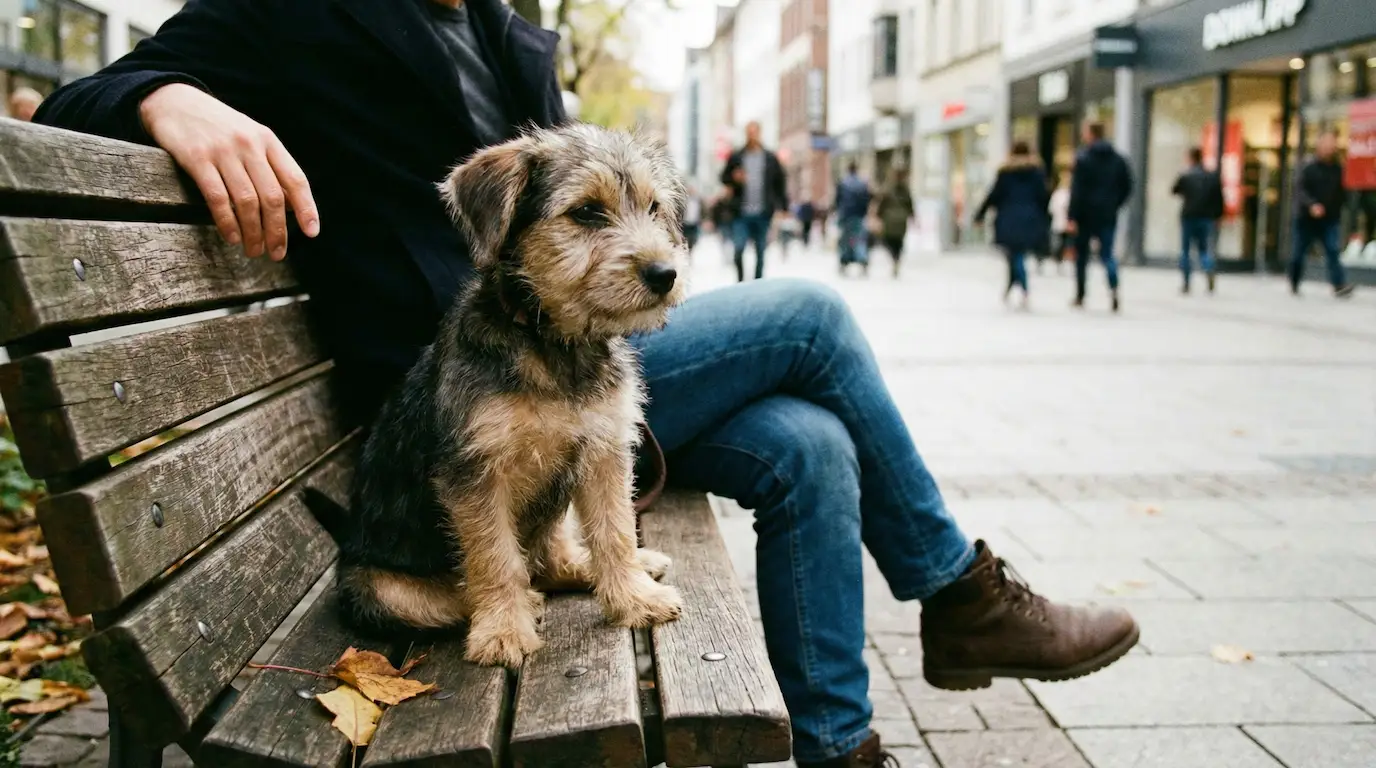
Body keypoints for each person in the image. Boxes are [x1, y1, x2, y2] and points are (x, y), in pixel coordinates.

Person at [33, 2, 1139, 764]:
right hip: (467, 383)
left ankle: (838, 750)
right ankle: (955, 596)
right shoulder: (296, 10)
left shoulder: (497, 26)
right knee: (810, 315)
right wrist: (173, 101)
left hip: (576, 362)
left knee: (808, 440)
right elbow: (80, 95)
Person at [975, 140, 1050, 309]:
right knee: (1016, 255)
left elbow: (993, 195)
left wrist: (980, 215)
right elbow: (1043, 197)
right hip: (1030, 218)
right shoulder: (1037, 172)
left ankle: (1022, 288)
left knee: (1015, 255)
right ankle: (1012, 286)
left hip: (1008, 218)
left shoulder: (1006, 172)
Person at [1068, 121, 1132, 312]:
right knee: (1107, 254)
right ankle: (1114, 290)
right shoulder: (1118, 159)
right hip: (1107, 213)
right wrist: (1115, 203)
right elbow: (1127, 186)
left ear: (1090, 134)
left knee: (1081, 257)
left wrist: (1072, 216)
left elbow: (1076, 191)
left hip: (1085, 215)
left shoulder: (1083, 158)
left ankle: (1080, 295)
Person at [1289, 131, 1355, 298]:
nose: (1330, 148)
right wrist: (1312, 205)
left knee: (1333, 250)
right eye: (1326, 144)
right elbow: (1299, 190)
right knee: (1298, 253)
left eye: (1332, 144)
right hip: (1306, 219)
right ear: (1319, 146)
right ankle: (1294, 281)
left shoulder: (1338, 169)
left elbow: (1343, 193)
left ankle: (1338, 284)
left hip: (1330, 218)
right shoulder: (1308, 166)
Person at [720, 121, 787, 282]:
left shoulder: (770, 157)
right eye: (749, 132)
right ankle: (741, 281)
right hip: (740, 212)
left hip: (763, 212)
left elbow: (780, 183)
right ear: (746, 134)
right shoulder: (737, 156)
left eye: (754, 132)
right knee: (738, 249)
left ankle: (757, 283)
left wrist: (783, 207)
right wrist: (734, 178)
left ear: (759, 133)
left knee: (761, 251)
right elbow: (723, 177)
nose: (752, 136)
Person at [1171, 146, 1225, 295]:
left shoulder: (1186, 175)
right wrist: (1218, 216)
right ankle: (1208, 269)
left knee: (1185, 251)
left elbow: (1174, 190)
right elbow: (1219, 199)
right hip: (1206, 217)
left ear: (1191, 158)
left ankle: (1186, 282)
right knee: (1203, 249)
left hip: (1188, 216)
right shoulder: (1211, 176)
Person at [873, 167, 915, 278]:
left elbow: (882, 204)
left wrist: (878, 216)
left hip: (889, 220)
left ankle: (894, 259)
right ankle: (897, 259)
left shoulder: (888, 189)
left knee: (887, 240)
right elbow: (910, 206)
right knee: (899, 242)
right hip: (901, 220)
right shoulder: (905, 190)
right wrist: (913, 217)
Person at [835, 162, 872, 276]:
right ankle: (862, 259)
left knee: (846, 240)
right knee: (859, 239)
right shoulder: (862, 184)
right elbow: (866, 200)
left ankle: (844, 261)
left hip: (845, 216)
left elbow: (837, 201)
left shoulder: (843, 183)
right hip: (859, 217)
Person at [1046, 171, 1071, 275]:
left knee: (1061, 243)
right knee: (1059, 243)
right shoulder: (1061, 194)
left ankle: (1059, 260)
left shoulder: (1066, 193)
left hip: (1064, 222)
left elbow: (1051, 209)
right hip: (1061, 221)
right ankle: (1058, 260)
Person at [681, 183, 704, 257]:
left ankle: (689, 253)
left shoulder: (699, 200)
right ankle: (686, 254)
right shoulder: (684, 200)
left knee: (694, 240)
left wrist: (703, 220)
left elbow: (703, 211)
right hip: (685, 223)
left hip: (695, 223)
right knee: (685, 239)